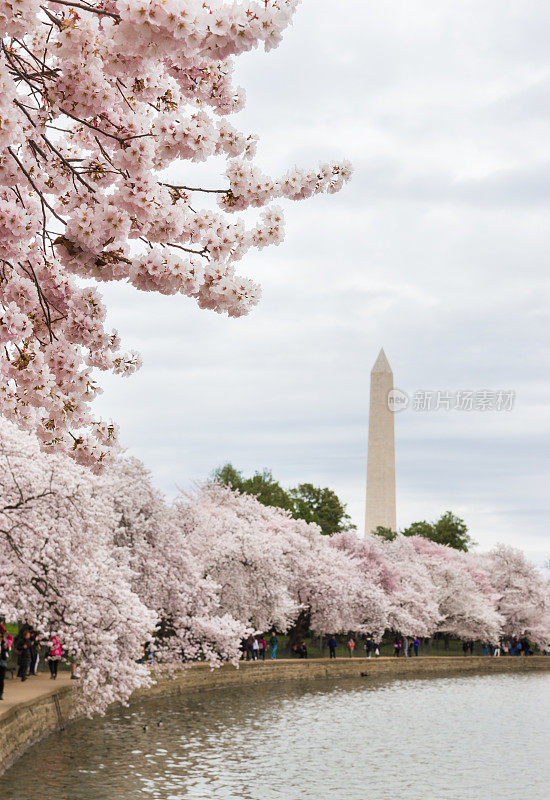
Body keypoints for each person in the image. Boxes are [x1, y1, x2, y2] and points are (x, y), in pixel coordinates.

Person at [0, 632, 9, 700]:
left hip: (2, 662)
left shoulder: (4, 643)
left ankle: (0, 694)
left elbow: (8, 649)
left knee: (1, 679)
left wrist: (5, 648)